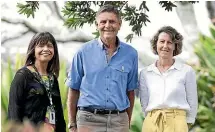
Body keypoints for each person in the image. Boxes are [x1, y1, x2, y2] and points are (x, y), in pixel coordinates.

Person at [66, 4, 138, 132]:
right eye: (103, 22)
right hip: (88, 120)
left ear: (120, 24)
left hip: (119, 121)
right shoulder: (83, 52)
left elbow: (130, 91)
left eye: (112, 21)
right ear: (97, 25)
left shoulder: (131, 54)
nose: (107, 25)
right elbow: (73, 89)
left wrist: (127, 120)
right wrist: (72, 124)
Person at [139, 26, 198, 132]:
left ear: (175, 46)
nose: (165, 46)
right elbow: (144, 102)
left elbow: (192, 101)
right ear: (156, 44)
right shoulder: (145, 73)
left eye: (169, 42)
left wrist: (185, 124)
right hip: (152, 122)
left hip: (178, 123)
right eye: (162, 41)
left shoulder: (186, 71)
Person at [8, 32, 66, 132]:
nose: (46, 49)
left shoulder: (52, 78)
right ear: (33, 50)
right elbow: (14, 112)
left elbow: (59, 114)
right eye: (41, 46)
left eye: (49, 46)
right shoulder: (23, 76)